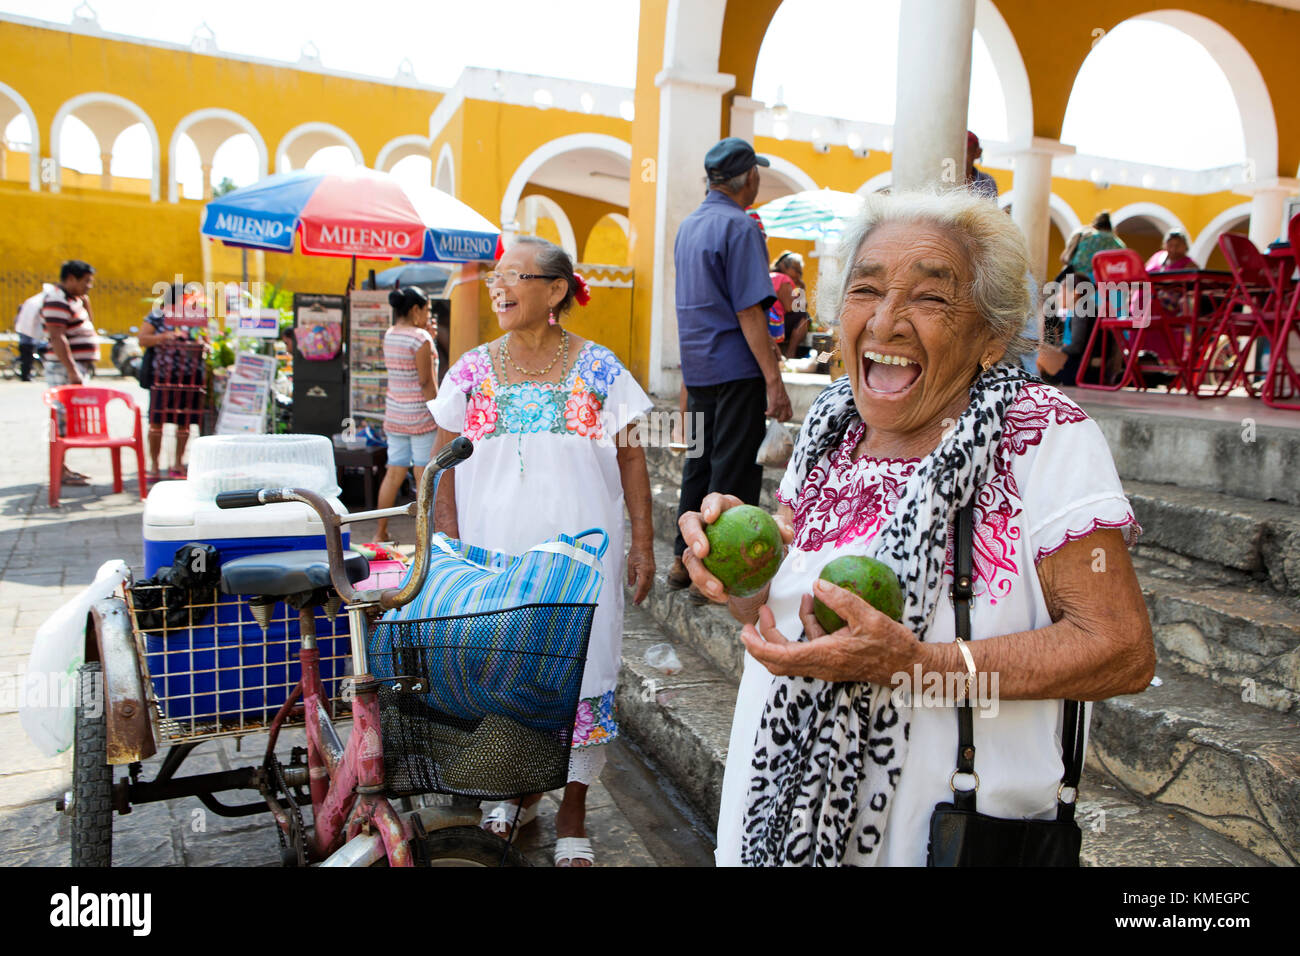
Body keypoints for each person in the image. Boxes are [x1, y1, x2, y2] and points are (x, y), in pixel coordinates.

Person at [679, 189, 1155, 866]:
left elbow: (1122, 649)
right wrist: (734, 576)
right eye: (865, 289)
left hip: (947, 837)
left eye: (931, 299)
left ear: (990, 335)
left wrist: (916, 667)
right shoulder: (827, 430)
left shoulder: (1042, 435)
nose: (888, 321)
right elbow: (781, 616)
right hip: (781, 820)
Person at [428, 236, 655, 867]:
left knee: (582, 672)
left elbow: (634, 458)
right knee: (505, 671)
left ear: (556, 290)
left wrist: (643, 544)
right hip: (492, 561)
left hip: (583, 561)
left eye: (514, 277)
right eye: (495, 278)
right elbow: (442, 466)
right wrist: (444, 544)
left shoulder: (604, 371)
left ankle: (574, 810)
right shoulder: (470, 371)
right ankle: (509, 793)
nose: (498, 288)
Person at [666, 137, 793, 600]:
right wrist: (774, 382)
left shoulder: (690, 226)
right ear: (750, 178)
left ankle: (685, 557)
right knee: (733, 472)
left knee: (698, 466)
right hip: (736, 369)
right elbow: (749, 312)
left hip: (699, 370)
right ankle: (716, 569)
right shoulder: (739, 227)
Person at [374, 286, 438, 543]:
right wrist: (439, 413)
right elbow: (426, 383)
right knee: (424, 476)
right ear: (415, 309)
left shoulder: (390, 334)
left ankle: (380, 532)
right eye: (427, 310)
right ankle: (425, 538)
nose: (428, 315)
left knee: (393, 474)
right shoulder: (420, 338)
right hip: (420, 417)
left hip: (395, 414)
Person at [138, 283, 205, 481]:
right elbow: (143, 339)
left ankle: (178, 464)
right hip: (162, 377)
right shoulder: (157, 316)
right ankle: (155, 466)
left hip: (188, 378)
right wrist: (163, 337)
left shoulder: (196, 318)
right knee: (156, 423)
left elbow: (206, 340)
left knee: (184, 424)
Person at [43, 260, 100, 487]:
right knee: (59, 419)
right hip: (63, 369)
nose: (89, 286)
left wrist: (86, 304)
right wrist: (72, 371)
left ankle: (62, 467)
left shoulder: (73, 300)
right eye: (86, 282)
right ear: (71, 279)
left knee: (69, 420)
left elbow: (89, 326)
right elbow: (57, 337)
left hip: (74, 367)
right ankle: (58, 469)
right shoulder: (56, 299)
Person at [771, 252, 811, 359]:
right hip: (774, 323)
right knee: (804, 317)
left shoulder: (770, 276)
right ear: (784, 266)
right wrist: (802, 289)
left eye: (800, 273)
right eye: (797, 270)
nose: (798, 275)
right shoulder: (783, 279)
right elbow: (791, 308)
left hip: (767, 320)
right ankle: (790, 354)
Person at [14, 283, 53, 381]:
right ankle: (26, 376)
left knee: (27, 360)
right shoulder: (24, 319)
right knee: (27, 360)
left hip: (26, 342)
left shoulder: (22, 318)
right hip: (28, 342)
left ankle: (26, 375)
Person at [964, 131, 998, 199]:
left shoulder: (987, 181)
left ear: (978, 152)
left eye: (965, 151)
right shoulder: (945, 178)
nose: (960, 155)